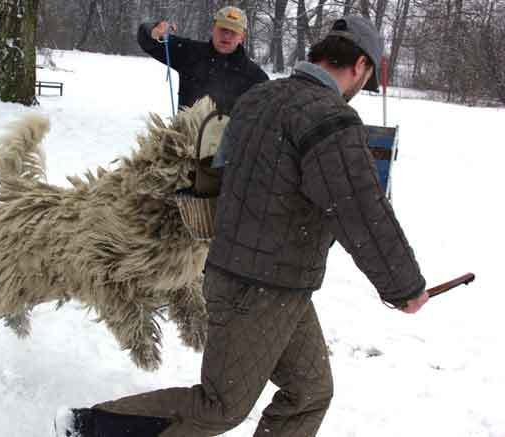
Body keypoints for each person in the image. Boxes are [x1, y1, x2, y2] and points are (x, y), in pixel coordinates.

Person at [54, 15, 430, 437]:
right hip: (258, 289)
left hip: (272, 281)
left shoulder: (257, 99)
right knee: (220, 406)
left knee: (308, 391)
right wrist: (404, 287)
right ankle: (88, 429)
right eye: (367, 78)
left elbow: (228, 176)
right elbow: (361, 211)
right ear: (359, 66)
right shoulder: (332, 120)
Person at [137, 6, 269, 115]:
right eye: (223, 29)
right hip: (187, 141)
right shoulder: (189, 52)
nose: (227, 35)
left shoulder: (256, 77)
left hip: (230, 144)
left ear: (242, 37)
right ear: (214, 28)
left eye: (233, 31)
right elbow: (146, 40)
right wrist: (153, 30)